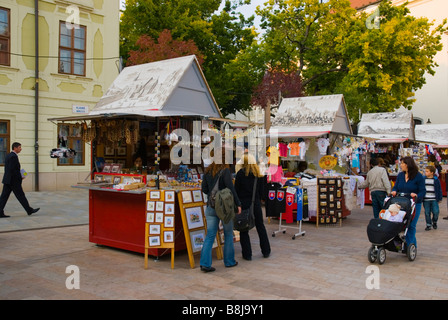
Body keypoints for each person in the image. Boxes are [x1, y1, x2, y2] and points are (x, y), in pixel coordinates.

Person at [200, 148, 241, 272]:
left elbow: (205, 189)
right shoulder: (225, 171)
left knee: (210, 235)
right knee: (228, 234)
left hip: (211, 207)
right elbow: (231, 189)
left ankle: (205, 264)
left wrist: (214, 196)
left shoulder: (207, 171)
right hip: (224, 209)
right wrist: (238, 204)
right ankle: (229, 261)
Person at [235, 154, 271, 261]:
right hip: (255, 204)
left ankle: (247, 254)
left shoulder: (240, 174)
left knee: (243, 229)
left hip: (244, 205)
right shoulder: (258, 174)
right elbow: (262, 193)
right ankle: (266, 250)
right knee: (260, 227)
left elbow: (236, 191)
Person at [391, 156, 426, 247]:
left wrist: (417, 195)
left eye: (402, 163)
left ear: (408, 164)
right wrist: (394, 190)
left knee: (411, 225)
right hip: (401, 203)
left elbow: (422, 190)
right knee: (401, 224)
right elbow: (396, 186)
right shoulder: (400, 175)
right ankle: (411, 246)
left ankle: (409, 245)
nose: (401, 165)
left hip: (414, 204)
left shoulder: (418, 176)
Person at [0, 142, 40, 218]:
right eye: (19, 147)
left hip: (8, 180)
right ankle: (29, 210)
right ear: (15, 148)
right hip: (13, 181)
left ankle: (0, 212)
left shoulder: (9, 155)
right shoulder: (13, 157)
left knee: (4, 197)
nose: (20, 149)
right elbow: (13, 170)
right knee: (21, 196)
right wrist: (20, 176)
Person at [423, 165, 442, 230]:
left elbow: (439, 189)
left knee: (436, 211)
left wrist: (440, 198)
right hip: (426, 199)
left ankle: (434, 221)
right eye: (425, 171)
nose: (425, 172)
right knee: (427, 212)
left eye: (427, 171)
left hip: (434, 198)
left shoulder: (436, 180)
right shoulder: (423, 179)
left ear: (432, 172)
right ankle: (428, 224)